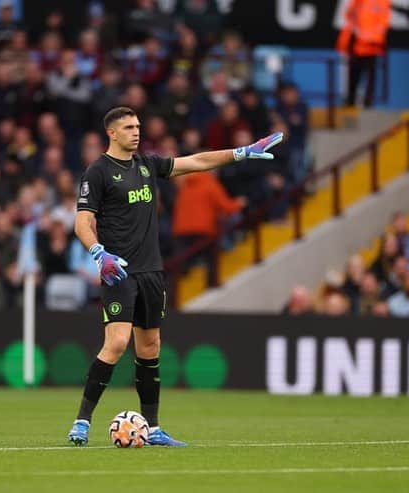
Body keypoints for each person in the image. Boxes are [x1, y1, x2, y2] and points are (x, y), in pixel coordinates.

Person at [67, 106, 283, 446]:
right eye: (128, 127)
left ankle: (152, 429)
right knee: (118, 342)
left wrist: (242, 152)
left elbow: (196, 161)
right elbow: (82, 221)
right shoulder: (98, 172)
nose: (136, 132)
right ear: (112, 133)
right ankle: (81, 421)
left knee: (150, 348)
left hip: (152, 271)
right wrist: (98, 253)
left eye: (138, 125)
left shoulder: (147, 164)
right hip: (119, 271)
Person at [336, 0, 391, 107]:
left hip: (372, 46)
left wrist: (367, 36)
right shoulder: (358, 1)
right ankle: (351, 101)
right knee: (353, 75)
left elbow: (383, 22)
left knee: (369, 77)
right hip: (357, 46)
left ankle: (367, 102)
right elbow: (349, 15)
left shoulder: (382, 2)